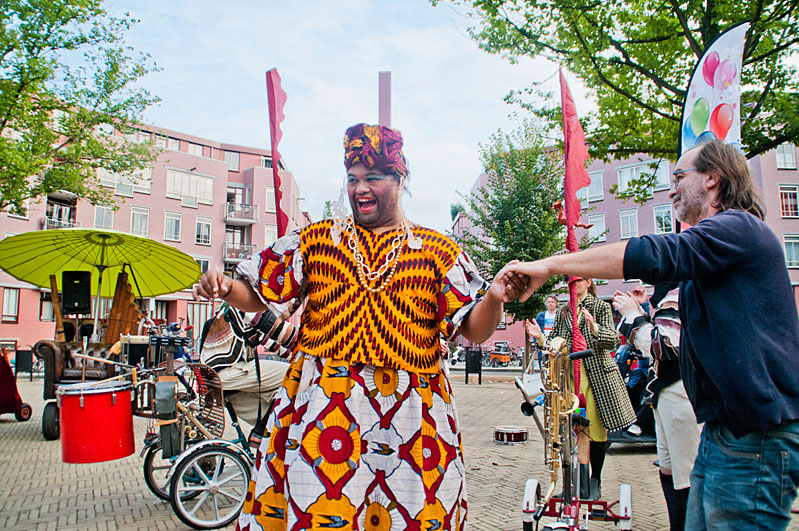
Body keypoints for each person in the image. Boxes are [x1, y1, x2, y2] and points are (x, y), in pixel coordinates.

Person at [193, 123, 521, 531]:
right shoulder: (316, 241)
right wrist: (226, 288)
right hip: (321, 410)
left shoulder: (439, 250)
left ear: (400, 179)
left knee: (410, 516)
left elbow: (472, 329)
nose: (360, 188)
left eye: (373, 177)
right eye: (352, 179)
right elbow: (259, 292)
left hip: (410, 417)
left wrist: (493, 297)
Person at [504, 140, 799, 529]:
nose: (672, 187)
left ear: (712, 178)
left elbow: (652, 254)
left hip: (755, 438)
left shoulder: (737, 229)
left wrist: (547, 266)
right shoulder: (722, 247)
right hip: (726, 433)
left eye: (679, 176)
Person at [526, 277, 635, 500]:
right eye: (569, 282)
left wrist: (595, 329)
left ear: (588, 282)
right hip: (570, 378)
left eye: (577, 281)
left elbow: (612, 340)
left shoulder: (601, 306)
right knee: (569, 430)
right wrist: (540, 338)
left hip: (596, 377)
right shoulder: (564, 311)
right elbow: (556, 343)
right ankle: (574, 483)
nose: (572, 285)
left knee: (595, 429)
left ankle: (595, 481)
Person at [613, 285, 701, 531]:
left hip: (682, 393)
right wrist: (645, 310)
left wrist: (632, 315)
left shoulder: (681, 294)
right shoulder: (677, 295)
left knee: (686, 474)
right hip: (669, 393)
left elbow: (662, 346)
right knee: (670, 468)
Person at [530, 294, 558, 370]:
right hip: (544, 343)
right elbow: (536, 330)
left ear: (556, 304)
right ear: (546, 304)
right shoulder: (541, 316)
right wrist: (538, 343)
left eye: (552, 302)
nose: (550, 304)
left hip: (555, 344)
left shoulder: (559, 315)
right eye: (548, 302)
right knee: (543, 365)